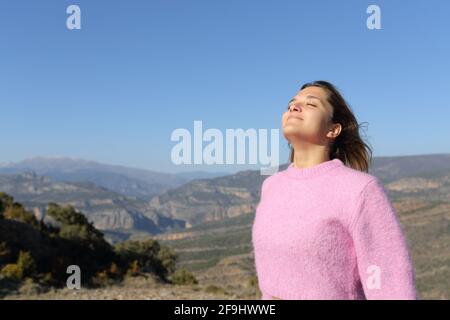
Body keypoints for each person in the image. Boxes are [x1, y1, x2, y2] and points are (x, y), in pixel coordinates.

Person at [251, 80, 417, 300]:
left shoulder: (360, 190)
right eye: (291, 104)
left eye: (311, 104)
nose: (294, 107)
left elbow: (390, 283)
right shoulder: (271, 186)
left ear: (333, 129)